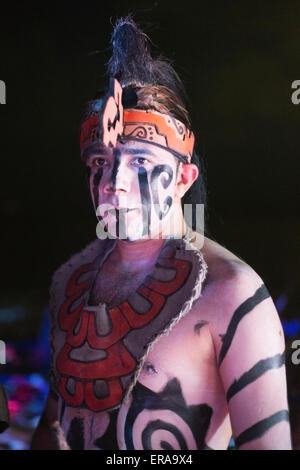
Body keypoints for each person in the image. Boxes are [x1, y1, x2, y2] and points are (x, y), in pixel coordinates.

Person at [31, 17, 292, 450]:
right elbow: (52, 429)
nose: (114, 182)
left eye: (139, 163)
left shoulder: (233, 295)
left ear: (183, 178)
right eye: (100, 162)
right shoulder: (73, 283)